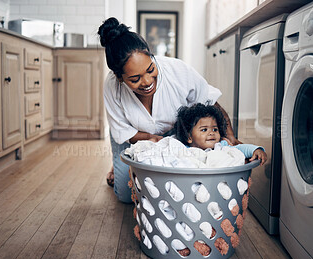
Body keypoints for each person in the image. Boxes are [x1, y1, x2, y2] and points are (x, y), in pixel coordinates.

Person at [98, 17, 240, 203]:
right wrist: (154, 143)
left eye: (150, 69)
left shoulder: (177, 71)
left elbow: (211, 103)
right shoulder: (112, 87)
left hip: (172, 132)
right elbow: (126, 132)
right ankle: (118, 167)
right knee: (127, 195)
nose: (148, 82)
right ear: (119, 78)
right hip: (130, 136)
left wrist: (230, 137)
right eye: (135, 79)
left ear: (152, 57)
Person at [174, 103, 267, 165]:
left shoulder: (222, 146)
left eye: (215, 129)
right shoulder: (184, 149)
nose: (211, 133)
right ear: (189, 137)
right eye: (204, 130)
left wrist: (255, 150)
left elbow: (239, 149)